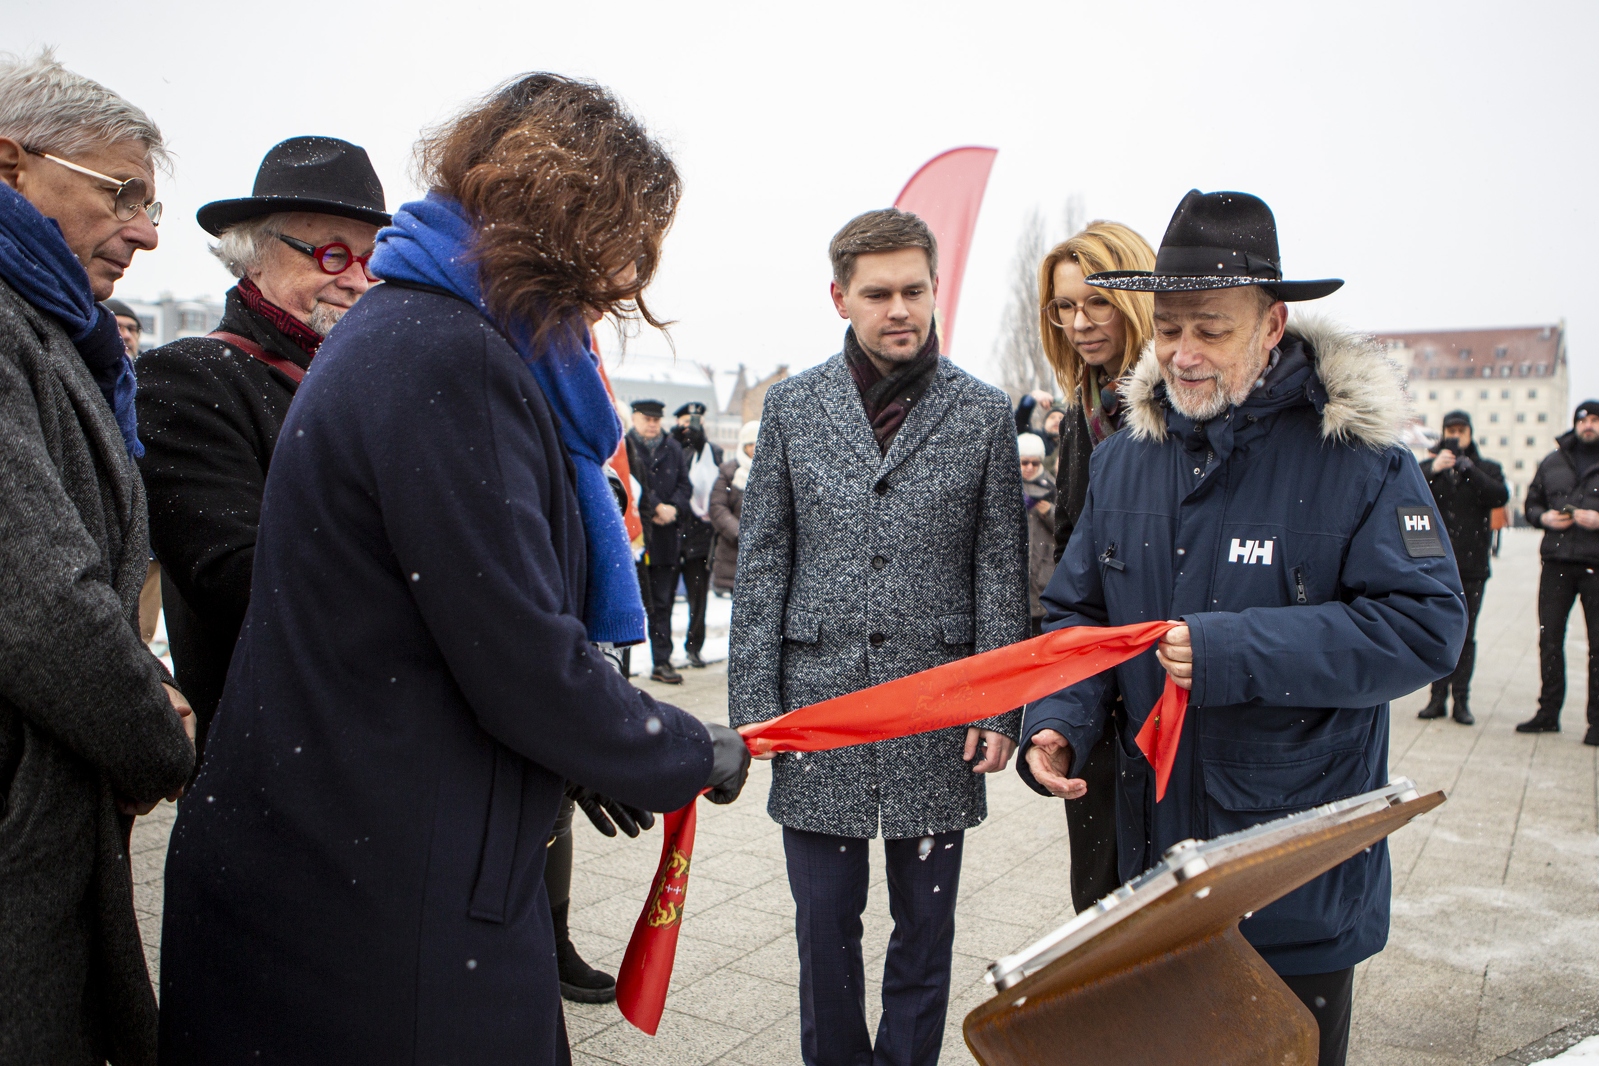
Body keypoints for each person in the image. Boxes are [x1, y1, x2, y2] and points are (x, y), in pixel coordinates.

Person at [156, 74, 751, 1065]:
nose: (618, 283)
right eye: (620, 244)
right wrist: (680, 749)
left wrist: (587, 741)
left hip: (349, 852)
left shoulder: (412, 329)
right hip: (387, 886)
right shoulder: (450, 357)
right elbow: (513, 646)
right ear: (568, 225)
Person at [1019, 190, 1467, 1066]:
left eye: (1211, 330)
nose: (1182, 354)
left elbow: (1424, 628)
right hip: (1151, 872)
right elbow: (1080, 613)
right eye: (1170, 327)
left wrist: (1231, 650)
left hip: (1286, 874)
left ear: (1272, 324)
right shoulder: (1123, 460)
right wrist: (1060, 724)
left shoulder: (1359, 460)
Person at [730, 207, 1028, 1066]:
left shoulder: (979, 412)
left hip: (938, 715)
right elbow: (763, 569)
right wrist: (757, 711)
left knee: (924, 932)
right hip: (819, 712)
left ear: (935, 291)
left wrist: (998, 707)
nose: (899, 309)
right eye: (877, 293)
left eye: (913, 290)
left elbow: (997, 572)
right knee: (823, 932)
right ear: (839, 297)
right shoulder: (791, 409)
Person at [0, 50, 195, 1065]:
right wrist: (152, 731)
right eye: (123, 193)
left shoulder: (52, 332)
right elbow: (36, 598)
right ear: (11, 163)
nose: (147, 233)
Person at [135, 136, 389, 760]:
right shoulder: (188, 378)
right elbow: (240, 581)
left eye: (372, 259)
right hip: (276, 761)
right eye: (331, 255)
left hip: (393, 755)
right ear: (252, 255)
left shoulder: (386, 384)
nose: (358, 280)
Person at [1036, 220, 1157, 914]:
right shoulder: (1083, 408)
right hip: (1095, 693)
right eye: (1064, 306)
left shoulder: (1170, 407)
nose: (1078, 322)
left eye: (1096, 302)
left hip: (1161, 682)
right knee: (1099, 893)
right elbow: (1071, 548)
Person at [1418, 410, 1508, 725]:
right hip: (1436, 565)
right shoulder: (1431, 469)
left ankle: (1461, 701)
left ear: (1471, 433)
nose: (1456, 436)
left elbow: (1499, 495)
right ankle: (1436, 698)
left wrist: (1467, 468)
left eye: (1461, 430)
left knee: (1466, 635)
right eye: (1450, 430)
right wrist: (1432, 468)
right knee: (1437, 631)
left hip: (1472, 565)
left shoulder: (1486, 468)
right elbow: (1406, 493)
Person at [1519, 400, 1599, 745]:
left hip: (1596, 566)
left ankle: (1596, 723)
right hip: (1556, 564)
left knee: (1597, 646)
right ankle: (1548, 713)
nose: (1589, 426)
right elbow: (1531, 503)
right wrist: (1544, 518)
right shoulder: (1553, 461)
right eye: (1584, 420)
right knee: (1549, 640)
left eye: (1595, 420)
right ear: (1575, 423)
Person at [626, 397, 693, 683]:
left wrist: (673, 508)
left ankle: (661, 662)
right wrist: (654, 506)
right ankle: (622, 665)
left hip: (665, 536)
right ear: (634, 419)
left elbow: (685, 485)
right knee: (629, 603)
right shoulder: (624, 447)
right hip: (636, 537)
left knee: (663, 602)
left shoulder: (673, 447)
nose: (652, 425)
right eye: (646, 419)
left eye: (656, 420)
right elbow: (628, 483)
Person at [671, 400, 724, 666]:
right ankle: (663, 652)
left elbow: (718, 481)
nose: (691, 427)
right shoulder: (672, 448)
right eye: (687, 421)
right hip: (672, 533)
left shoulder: (711, 450)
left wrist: (700, 441)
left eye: (697, 422)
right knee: (664, 598)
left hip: (699, 538)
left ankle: (694, 646)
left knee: (697, 597)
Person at [709, 419, 759, 594]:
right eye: (749, 444)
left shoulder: (773, 472)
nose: (754, 448)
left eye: (757, 443)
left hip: (763, 552)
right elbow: (718, 507)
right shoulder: (729, 472)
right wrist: (741, 533)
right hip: (733, 553)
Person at [1020, 432, 1057, 636]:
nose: (1029, 468)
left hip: (1043, 575)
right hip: (1019, 576)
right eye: (1024, 462)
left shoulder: (1051, 486)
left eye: (1034, 463)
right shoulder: (1007, 485)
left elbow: (1066, 527)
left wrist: (1048, 512)